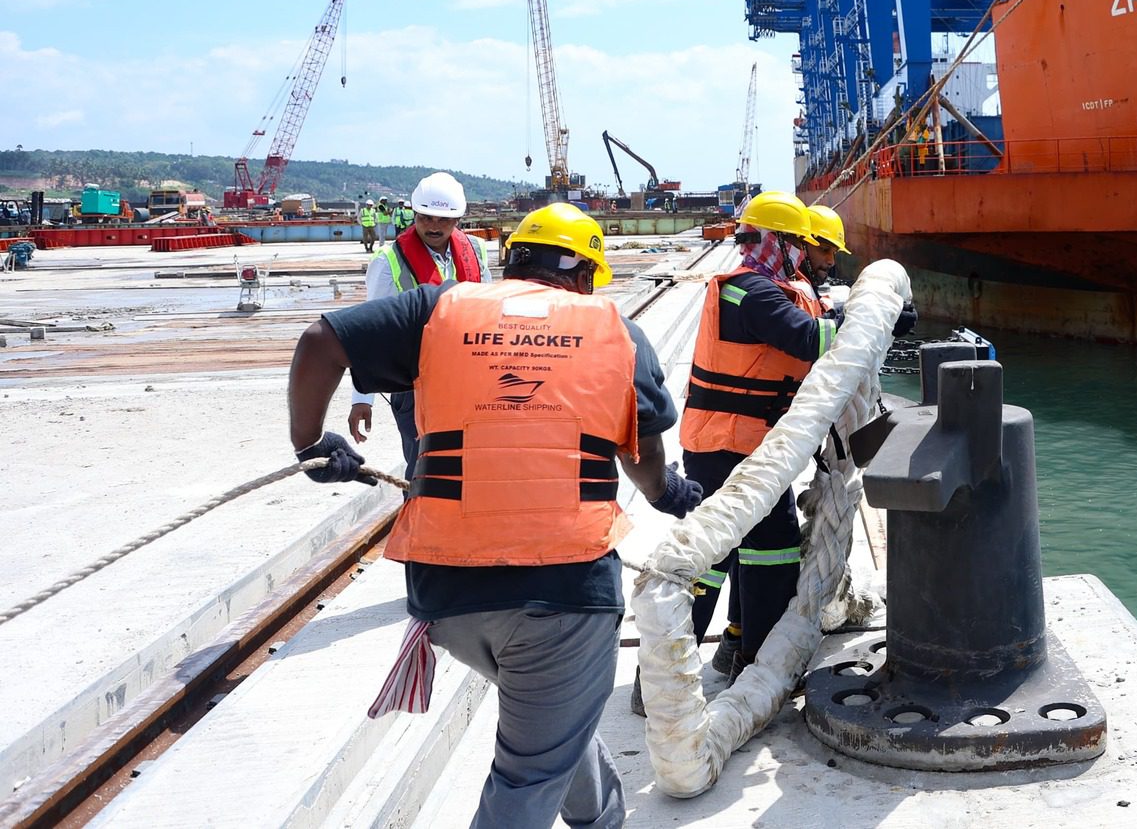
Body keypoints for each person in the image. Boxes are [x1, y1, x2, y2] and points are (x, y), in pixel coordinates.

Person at [287, 202, 701, 829]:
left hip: (446, 596)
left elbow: (321, 342)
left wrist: (312, 445)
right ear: (584, 275)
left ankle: (599, 817)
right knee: (529, 771)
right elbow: (642, 456)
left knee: (555, 717)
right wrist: (668, 493)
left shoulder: (438, 308)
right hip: (564, 594)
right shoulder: (617, 330)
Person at [678, 190, 914, 683]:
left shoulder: (771, 288)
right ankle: (755, 669)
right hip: (729, 443)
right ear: (781, 243)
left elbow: (820, 329)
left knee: (733, 550)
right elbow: (811, 338)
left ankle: (730, 653)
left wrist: (877, 321)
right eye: (803, 245)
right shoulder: (752, 292)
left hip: (738, 445)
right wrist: (873, 319)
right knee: (761, 552)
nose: (813, 256)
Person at [348, 171, 492, 473]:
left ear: (458, 219)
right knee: (424, 469)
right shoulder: (388, 260)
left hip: (470, 379)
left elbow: (491, 315)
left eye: (443, 220)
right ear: (414, 214)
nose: (434, 226)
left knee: (474, 466)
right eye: (426, 218)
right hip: (415, 387)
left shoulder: (476, 251)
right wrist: (362, 399)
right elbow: (373, 332)